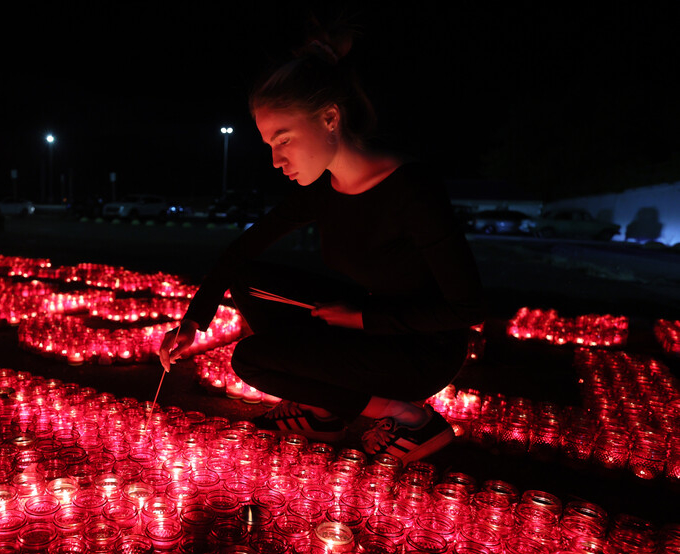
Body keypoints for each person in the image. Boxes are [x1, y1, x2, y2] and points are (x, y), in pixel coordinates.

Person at [158, 33, 484, 464]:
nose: (276, 160)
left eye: (284, 139)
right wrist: (193, 321)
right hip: (370, 317)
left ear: (330, 118)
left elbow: (468, 307)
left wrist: (364, 318)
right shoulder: (323, 190)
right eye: (269, 145)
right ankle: (323, 410)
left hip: (422, 348)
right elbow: (240, 251)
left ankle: (406, 415)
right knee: (248, 282)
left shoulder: (411, 189)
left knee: (252, 361)